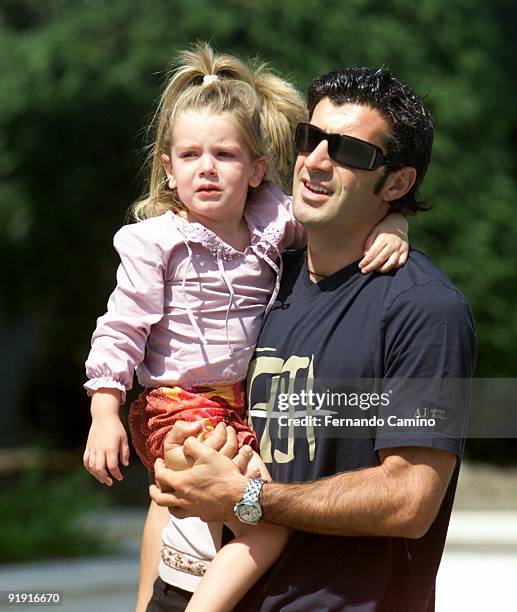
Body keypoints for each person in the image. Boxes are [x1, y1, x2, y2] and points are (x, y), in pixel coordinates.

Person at [81, 44, 410, 612]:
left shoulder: (272, 224)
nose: (206, 168)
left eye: (225, 155)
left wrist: (397, 221)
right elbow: (121, 328)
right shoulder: (155, 242)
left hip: (241, 404)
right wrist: (104, 412)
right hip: (176, 403)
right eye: (189, 155)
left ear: (256, 169)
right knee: (261, 514)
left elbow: (339, 226)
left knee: (217, 510)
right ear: (168, 166)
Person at [150, 65, 477, 611]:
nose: (317, 161)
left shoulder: (424, 308)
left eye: (349, 151)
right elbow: (182, 485)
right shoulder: (261, 276)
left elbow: (409, 501)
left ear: (397, 183)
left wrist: (248, 500)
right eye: (312, 139)